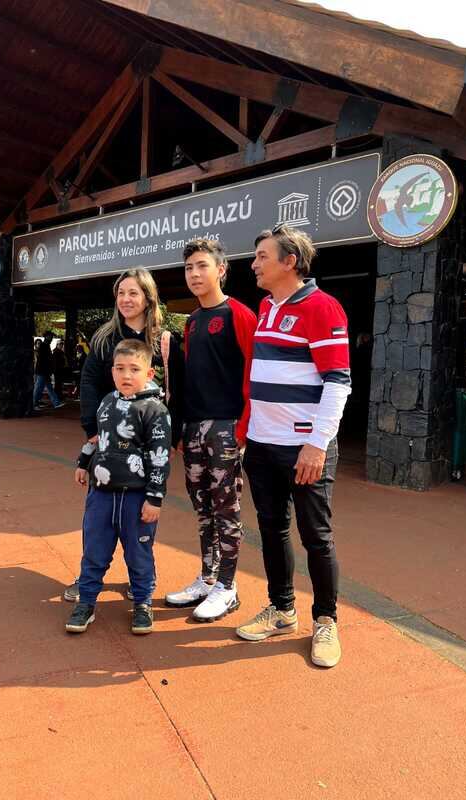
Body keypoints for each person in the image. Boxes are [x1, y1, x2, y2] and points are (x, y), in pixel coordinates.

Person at [235, 225, 351, 669]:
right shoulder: (266, 306)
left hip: (304, 449)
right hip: (263, 447)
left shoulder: (323, 307)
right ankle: (282, 608)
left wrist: (316, 445)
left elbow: (338, 383)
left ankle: (326, 620)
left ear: (290, 262)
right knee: (271, 529)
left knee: (316, 538)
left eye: (262, 256)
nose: (254, 264)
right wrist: (249, 436)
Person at [63, 268, 184, 602]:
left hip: (149, 444)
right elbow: (89, 382)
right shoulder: (104, 337)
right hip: (108, 444)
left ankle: (140, 578)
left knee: (142, 515)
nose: (126, 300)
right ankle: (88, 577)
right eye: (121, 293)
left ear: (148, 297)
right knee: (98, 517)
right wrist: (91, 429)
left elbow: (179, 388)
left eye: (133, 293)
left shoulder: (165, 339)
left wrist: (174, 435)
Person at [165, 238, 257, 622]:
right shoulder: (191, 321)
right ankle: (207, 577)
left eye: (202, 266)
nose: (194, 274)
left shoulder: (239, 314)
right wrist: (181, 429)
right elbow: (187, 380)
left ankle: (228, 587)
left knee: (226, 509)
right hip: (195, 428)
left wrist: (243, 429)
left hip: (226, 427)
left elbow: (256, 374)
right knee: (202, 508)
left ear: (221, 269)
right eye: (189, 268)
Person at [65, 339, 171, 635]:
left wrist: (155, 498)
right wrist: (82, 462)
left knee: (139, 554)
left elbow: (160, 458)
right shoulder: (107, 402)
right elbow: (97, 439)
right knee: (94, 550)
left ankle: (142, 603)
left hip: (136, 499)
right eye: (120, 369)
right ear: (112, 372)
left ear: (149, 374)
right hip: (101, 494)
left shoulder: (155, 410)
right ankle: (86, 602)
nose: (126, 375)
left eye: (134, 369)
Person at [33, 331, 65, 410]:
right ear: (46, 337)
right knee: (39, 388)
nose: (51, 338)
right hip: (42, 371)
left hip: (44, 371)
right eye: (50, 336)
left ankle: (56, 403)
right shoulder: (44, 346)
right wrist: (49, 369)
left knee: (48, 387)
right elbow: (43, 360)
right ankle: (34, 404)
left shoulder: (46, 346)